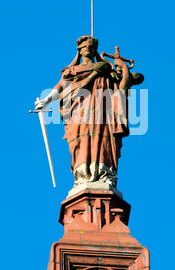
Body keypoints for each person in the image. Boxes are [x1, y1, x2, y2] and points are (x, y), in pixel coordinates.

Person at [35, 35, 143, 188]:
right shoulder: (72, 71)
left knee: (103, 139)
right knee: (81, 139)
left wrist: (123, 68)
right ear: (79, 50)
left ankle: (104, 171)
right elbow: (59, 88)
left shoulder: (106, 71)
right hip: (79, 109)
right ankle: (82, 172)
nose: (89, 49)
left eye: (91, 47)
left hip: (102, 109)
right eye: (85, 47)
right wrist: (45, 101)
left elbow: (122, 86)